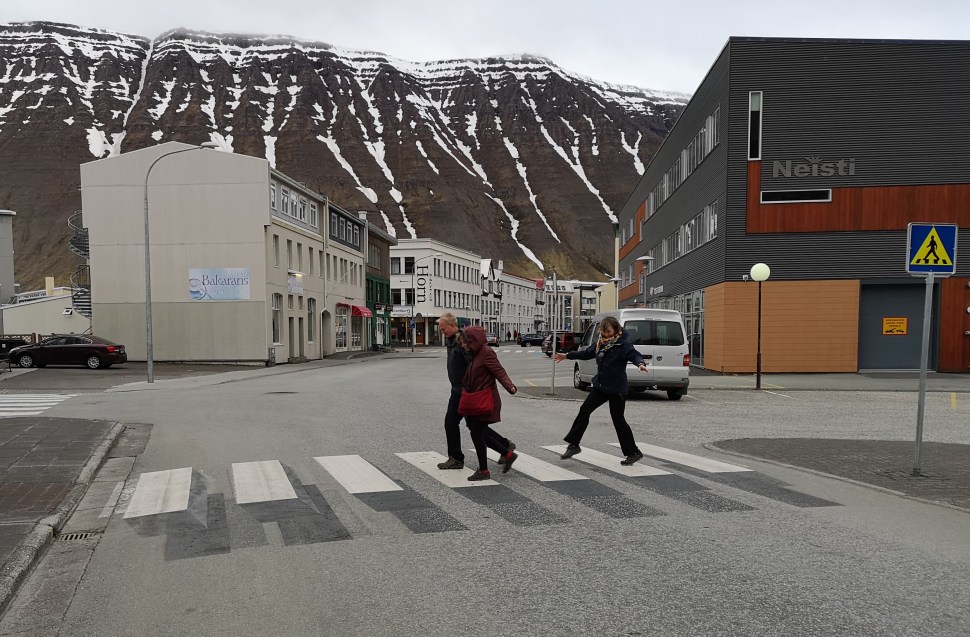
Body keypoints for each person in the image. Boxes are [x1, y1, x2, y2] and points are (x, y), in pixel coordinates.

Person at [552, 316, 648, 466]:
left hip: (617, 389)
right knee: (584, 410)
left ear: (616, 330)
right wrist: (566, 356)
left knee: (618, 420)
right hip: (601, 386)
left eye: (608, 332)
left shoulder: (623, 345)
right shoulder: (600, 344)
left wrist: (640, 364)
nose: (606, 335)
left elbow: (634, 355)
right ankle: (573, 445)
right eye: (603, 332)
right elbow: (586, 353)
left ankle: (634, 452)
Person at [435, 314, 515, 471]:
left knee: (462, 425)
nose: (442, 332)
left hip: (465, 392)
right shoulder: (452, 341)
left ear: (453, 326)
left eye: (444, 329)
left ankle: (457, 458)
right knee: (475, 426)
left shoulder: (462, 342)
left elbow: (474, 365)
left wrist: (471, 388)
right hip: (458, 390)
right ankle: (505, 446)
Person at [459, 325, 518, 481]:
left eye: (466, 342)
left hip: (483, 399)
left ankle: (485, 470)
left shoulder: (486, 353)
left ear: (473, 340)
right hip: (474, 399)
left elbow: (499, 371)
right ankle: (507, 453)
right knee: (478, 431)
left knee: (477, 433)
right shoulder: (475, 353)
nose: (464, 345)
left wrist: (509, 386)